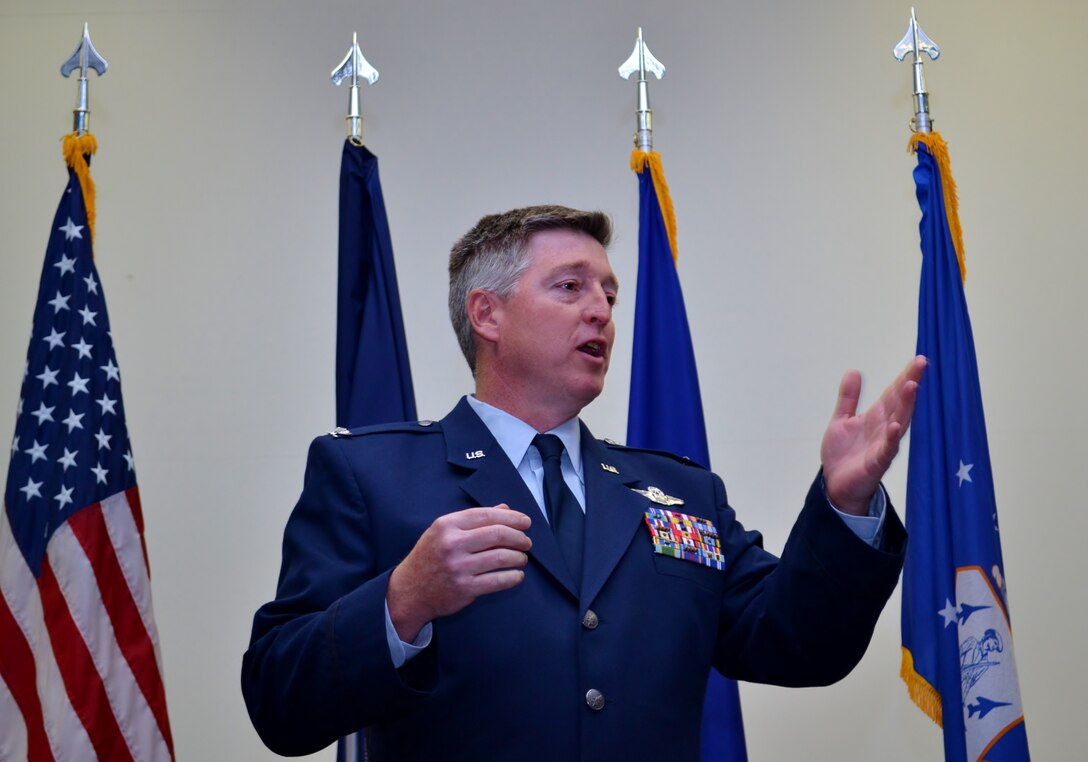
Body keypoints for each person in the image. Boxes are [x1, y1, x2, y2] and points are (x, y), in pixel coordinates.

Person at [242, 205, 926, 760]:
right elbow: (280, 702)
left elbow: (800, 644)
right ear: (487, 315)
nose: (600, 310)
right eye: (570, 287)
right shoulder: (371, 477)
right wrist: (402, 600)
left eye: (608, 293)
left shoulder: (683, 494)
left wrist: (845, 503)